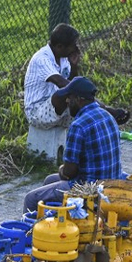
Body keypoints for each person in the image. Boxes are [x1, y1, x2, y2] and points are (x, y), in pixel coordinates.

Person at [24, 23, 129, 159]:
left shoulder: (63, 58)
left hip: (58, 110)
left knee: (77, 101)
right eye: (73, 44)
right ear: (59, 47)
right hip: (37, 112)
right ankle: (108, 112)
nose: (76, 47)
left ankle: (102, 124)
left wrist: (74, 66)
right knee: (64, 95)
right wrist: (91, 97)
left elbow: (72, 83)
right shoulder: (42, 59)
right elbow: (63, 84)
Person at [23, 77, 122, 213]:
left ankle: (32, 233)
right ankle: (55, 222)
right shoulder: (107, 116)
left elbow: (69, 173)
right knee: (49, 180)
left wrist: (61, 169)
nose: (67, 101)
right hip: (111, 184)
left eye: (70, 97)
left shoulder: (78, 125)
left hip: (89, 190)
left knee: (31, 199)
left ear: (79, 99)